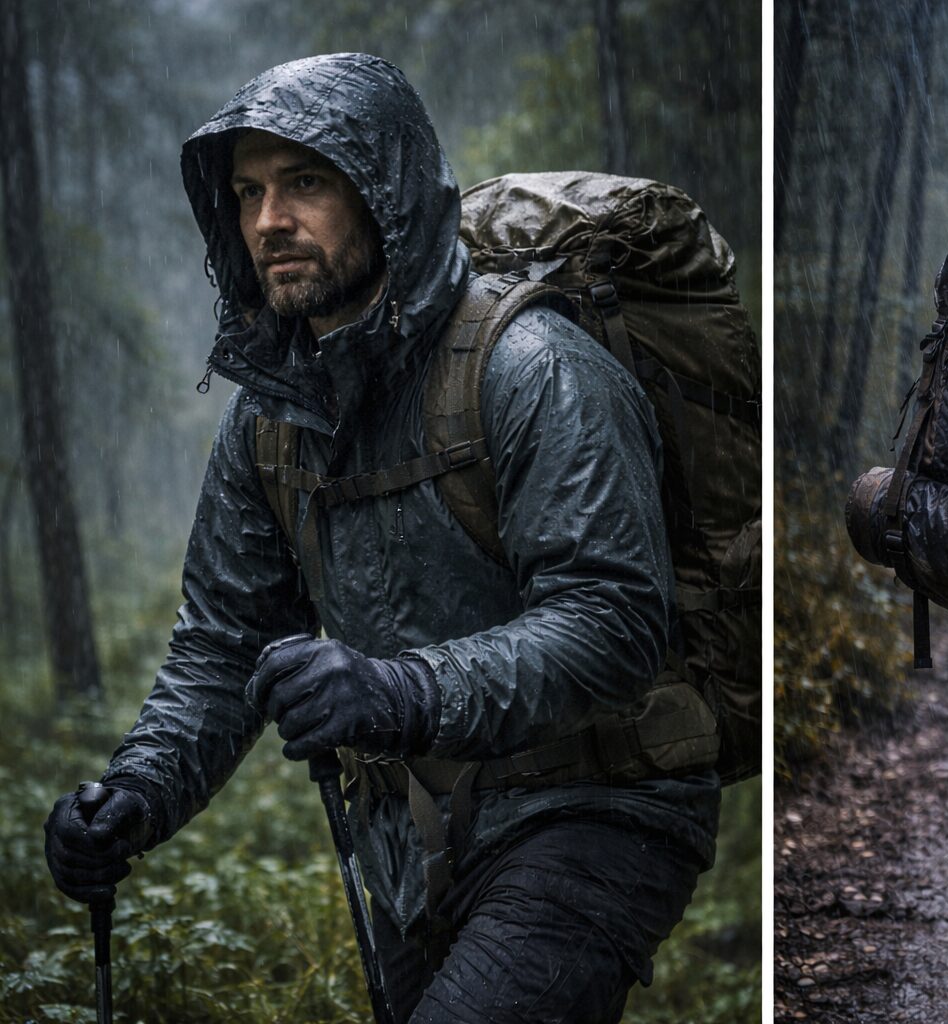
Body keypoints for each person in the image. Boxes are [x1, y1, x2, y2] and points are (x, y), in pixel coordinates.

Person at [42, 52, 718, 1023]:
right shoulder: (271, 422)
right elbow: (222, 643)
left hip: (596, 808)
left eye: (305, 181)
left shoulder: (532, 367)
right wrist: (134, 798)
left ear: (388, 190)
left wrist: (402, 688)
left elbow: (612, 620)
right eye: (247, 191)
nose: (270, 219)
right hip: (410, 837)